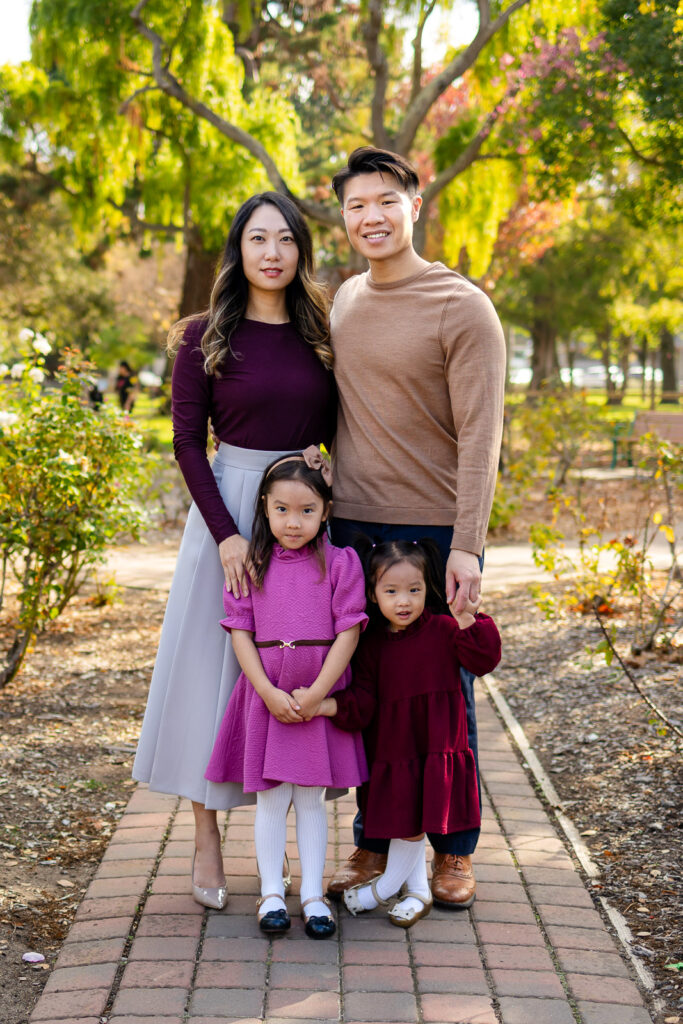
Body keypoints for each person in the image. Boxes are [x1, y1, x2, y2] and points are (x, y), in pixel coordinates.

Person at [132, 193, 336, 910]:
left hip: (301, 513)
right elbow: (187, 443)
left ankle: (296, 832)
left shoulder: (322, 332)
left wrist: (326, 474)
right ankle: (206, 832)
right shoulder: (202, 336)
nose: (273, 252)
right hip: (224, 509)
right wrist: (223, 535)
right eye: (258, 239)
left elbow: (342, 421)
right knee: (208, 673)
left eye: (285, 239)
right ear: (238, 249)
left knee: (294, 663)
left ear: (299, 251)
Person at [326, 146, 506, 908]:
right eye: (355, 206)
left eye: (384, 201)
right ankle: (374, 838)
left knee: (443, 701)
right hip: (351, 531)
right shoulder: (342, 300)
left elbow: (481, 435)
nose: (371, 217)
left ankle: (454, 850)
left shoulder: (459, 305)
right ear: (344, 218)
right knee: (369, 695)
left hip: (431, 534)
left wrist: (466, 542)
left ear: (413, 205)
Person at [204, 451, 368, 937]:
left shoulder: (342, 563)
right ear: (265, 506)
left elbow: (350, 630)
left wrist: (318, 693)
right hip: (268, 696)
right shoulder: (251, 565)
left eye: (306, 511)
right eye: (282, 510)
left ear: (326, 511)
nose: (293, 522)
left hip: (318, 694)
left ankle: (314, 896)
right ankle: (272, 892)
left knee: (312, 800)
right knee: (272, 799)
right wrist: (267, 692)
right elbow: (239, 631)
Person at [313, 539, 501, 927]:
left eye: (414, 590)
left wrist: (468, 617)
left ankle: (381, 891)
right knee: (404, 818)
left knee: (415, 822)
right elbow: (363, 699)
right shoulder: (371, 644)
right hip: (394, 750)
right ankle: (417, 893)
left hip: (435, 746)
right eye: (391, 591)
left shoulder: (445, 631)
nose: (404, 601)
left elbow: (484, 660)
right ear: (372, 594)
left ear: (427, 590)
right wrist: (326, 705)